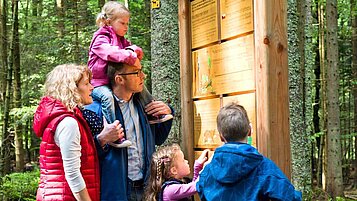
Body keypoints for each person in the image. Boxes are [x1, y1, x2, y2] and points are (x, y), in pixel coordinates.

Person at [85, 59, 174, 201]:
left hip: (146, 189)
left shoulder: (145, 106)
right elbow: (83, 156)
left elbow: (159, 138)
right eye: (136, 72)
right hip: (116, 191)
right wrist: (102, 139)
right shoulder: (95, 110)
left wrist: (168, 113)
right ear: (119, 79)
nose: (143, 75)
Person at [33, 64, 124, 201]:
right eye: (86, 84)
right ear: (72, 89)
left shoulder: (65, 118)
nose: (92, 87)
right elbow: (73, 174)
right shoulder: (68, 123)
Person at [88, 1, 172, 137]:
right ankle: (114, 132)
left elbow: (130, 47)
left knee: (142, 89)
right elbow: (110, 52)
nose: (126, 27)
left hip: (111, 80)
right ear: (109, 22)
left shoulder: (120, 39)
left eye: (127, 23)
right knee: (107, 98)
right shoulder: (100, 37)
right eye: (122, 23)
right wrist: (128, 56)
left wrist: (135, 50)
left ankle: (153, 115)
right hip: (98, 83)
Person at [196, 102, 302, 201]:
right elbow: (290, 197)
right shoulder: (265, 168)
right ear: (250, 130)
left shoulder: (208, 171)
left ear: (221, 136)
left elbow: (200, 189)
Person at [144, 144, 209, 201]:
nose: (187, 161)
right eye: (183, 160)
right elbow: (195, 186)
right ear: (174, 170)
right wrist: (211, 163)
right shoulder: (170, 190)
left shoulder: (173, 186)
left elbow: (193, 187)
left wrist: (197, 167)